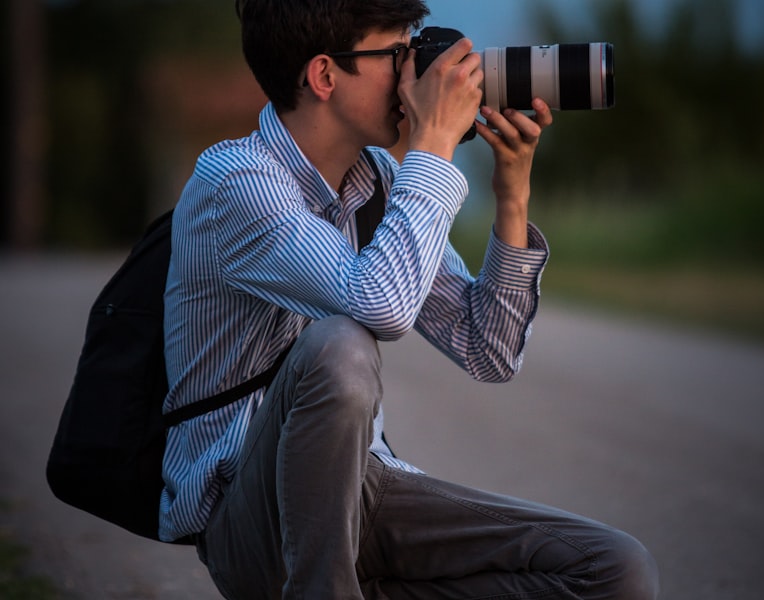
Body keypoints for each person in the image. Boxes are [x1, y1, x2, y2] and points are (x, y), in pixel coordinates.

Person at [159, 0, 659, 598]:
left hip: (366, 493)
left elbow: (487, 349)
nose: (415, 75)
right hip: (250, 515)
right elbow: (381, 305)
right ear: (324, 76)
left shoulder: (378, 182)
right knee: (338, 346)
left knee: (614, 571)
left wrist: (512, 197)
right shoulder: (235, 181)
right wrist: (434, 146)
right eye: (397, 55)